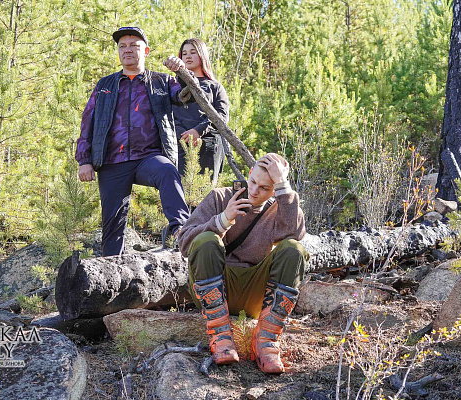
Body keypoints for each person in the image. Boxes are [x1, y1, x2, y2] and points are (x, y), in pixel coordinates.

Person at [178, 153, 309, 373]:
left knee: (294, 249)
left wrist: (283, 186)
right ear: (248, 174)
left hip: (255, 294)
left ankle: (266, 341)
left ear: (275, 189)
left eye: (265, 188)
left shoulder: (281, 209)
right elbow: (185, 243)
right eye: (253, 181)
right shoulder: (220, 197)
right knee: (206, 239)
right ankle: (220, 336)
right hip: (215, 290)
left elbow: (293, 235)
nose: (255, 191)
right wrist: (223, 220)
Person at [76, 27, 191, 256]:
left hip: (148, 157)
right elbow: (88, 122)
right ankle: (112, 270)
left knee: (167, 171)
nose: (127, 50)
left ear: (145, 51)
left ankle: (182, 231)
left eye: (134, 46)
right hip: (112, 161)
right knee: (112, 226)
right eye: (122, 46)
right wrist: (84, 160)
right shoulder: (105, 85)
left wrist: (182, 72)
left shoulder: (162, 81)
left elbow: (187, 95)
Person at [174, 38, 229, 185]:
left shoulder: (215, 87)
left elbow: (222, 116)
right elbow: (168, 115)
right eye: (184, 53)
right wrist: (185, 136)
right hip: (180, 146)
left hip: (209, 146)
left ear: (202, 55)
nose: (188, 56)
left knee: (206, 195)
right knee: (179, 193)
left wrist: (198, 131)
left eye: (193, 52)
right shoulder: (174, 87)